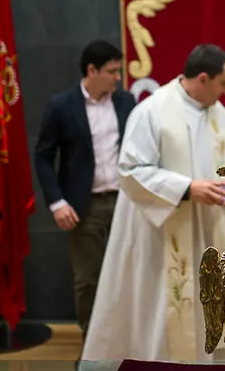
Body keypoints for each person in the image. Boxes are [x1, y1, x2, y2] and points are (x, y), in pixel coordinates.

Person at [80, 44, 225, 363]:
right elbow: (130, 171)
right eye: (223, 83)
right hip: (162, 234)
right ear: (201, 78)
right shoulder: (152, 111)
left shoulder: (216, 112)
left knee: (206, 303)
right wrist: (186, 188)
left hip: (207, 230)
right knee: (167, 306)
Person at [33, 40, 136, 341]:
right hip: (82, 205)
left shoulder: (126, 102)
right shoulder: (61, 106)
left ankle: (128, 338)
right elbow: (42, 156)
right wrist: (56, 202)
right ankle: (95, 341)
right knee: (88, 278)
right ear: (92, 70)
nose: (118, 77)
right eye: (112, 71)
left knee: (128, 272)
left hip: (124, 201)